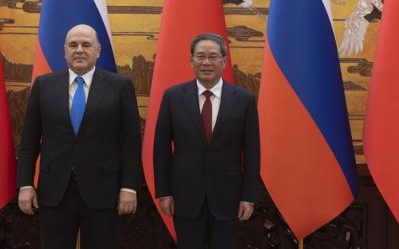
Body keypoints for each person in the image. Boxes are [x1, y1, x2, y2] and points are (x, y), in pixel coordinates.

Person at [17, 24, 141, 249]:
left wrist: (129, 187)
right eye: (73, 45)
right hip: (55, 192)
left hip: (104, 194)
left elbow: (132, 144)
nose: (80, 50)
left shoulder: (119, 86)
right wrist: (25, 184)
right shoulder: (44, 85)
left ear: (98, 50)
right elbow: (28, 142)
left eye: (86, 44)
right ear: (65, 50)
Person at [153, 33, 260, 249]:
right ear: (191, 60)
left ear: (224, 61)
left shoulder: (244, 99)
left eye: (213, 57)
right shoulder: (173, 97)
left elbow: (252, 153)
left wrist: (248, 196)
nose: (206, 62)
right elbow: (161, 149)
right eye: (200, 56)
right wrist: (164, 192)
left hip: (228, 198)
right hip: (185, 197)